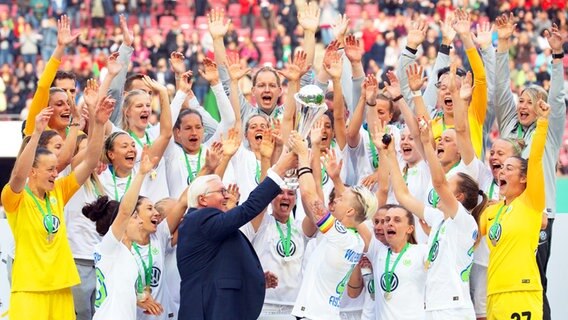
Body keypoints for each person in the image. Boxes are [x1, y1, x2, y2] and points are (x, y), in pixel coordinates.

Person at [1, 96, 114, 318]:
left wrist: (98, 125)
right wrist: (35, 135)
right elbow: (16, 175)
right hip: (30, 288)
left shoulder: (58, 192)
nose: (56, 173)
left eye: (55, 169)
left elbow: (91, 160)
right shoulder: (16, 198)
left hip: (61, 285)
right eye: (50, 169)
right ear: (33, 171)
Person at [176, 151, 296, 320]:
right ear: (203, 200)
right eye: (221, 192)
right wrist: (280, 169)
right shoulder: (199, 220)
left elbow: (218, 268)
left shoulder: (211, 226)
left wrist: (254, 279)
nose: (227, 196)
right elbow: (249, 209)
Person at [288, 131, 377, 320]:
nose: (335, 200)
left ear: (351, 212)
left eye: (341, 198)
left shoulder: (341, 236)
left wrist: (304, 156)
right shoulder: (355, 240)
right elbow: (314, 203)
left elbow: (309, 197)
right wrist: (335, 179)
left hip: (313, 316)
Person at [480, 99, 550, 320]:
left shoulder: (531, 203)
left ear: (523, 178)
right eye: (501, 169)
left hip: (522, 292)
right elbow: (468, 237)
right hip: (493, 293)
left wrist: (543, 123)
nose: (502, 172)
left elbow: (536, 160)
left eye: (509, 168)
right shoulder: (491, 212)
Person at [85, 148, 155, 320]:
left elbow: (115, 288)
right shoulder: (109, 247)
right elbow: (124, 211)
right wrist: (140, 174)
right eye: (135, 217)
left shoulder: (123, 252)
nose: (140, 222)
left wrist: (137, 299)